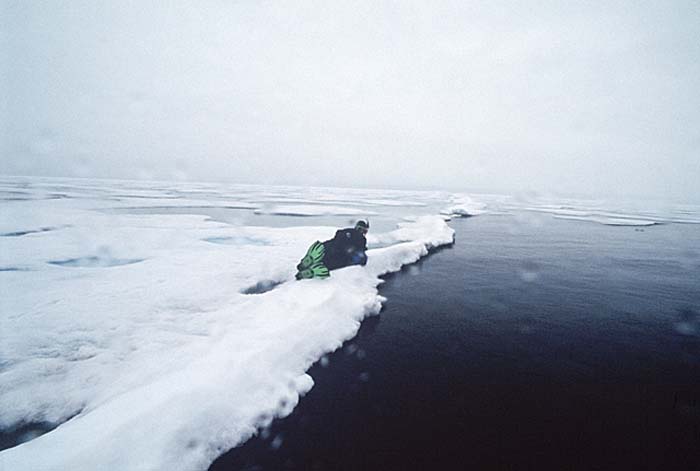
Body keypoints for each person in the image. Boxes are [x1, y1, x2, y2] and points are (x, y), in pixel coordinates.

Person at [295, 220, 369, 279]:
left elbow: (338, 235)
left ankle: (309, 261)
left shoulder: (346, 231)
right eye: (365, 231)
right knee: (332, 262)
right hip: (340, 255)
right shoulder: (362, 239)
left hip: (327, 246)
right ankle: (312, 271)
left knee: (325, 254)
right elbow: (360, 252)